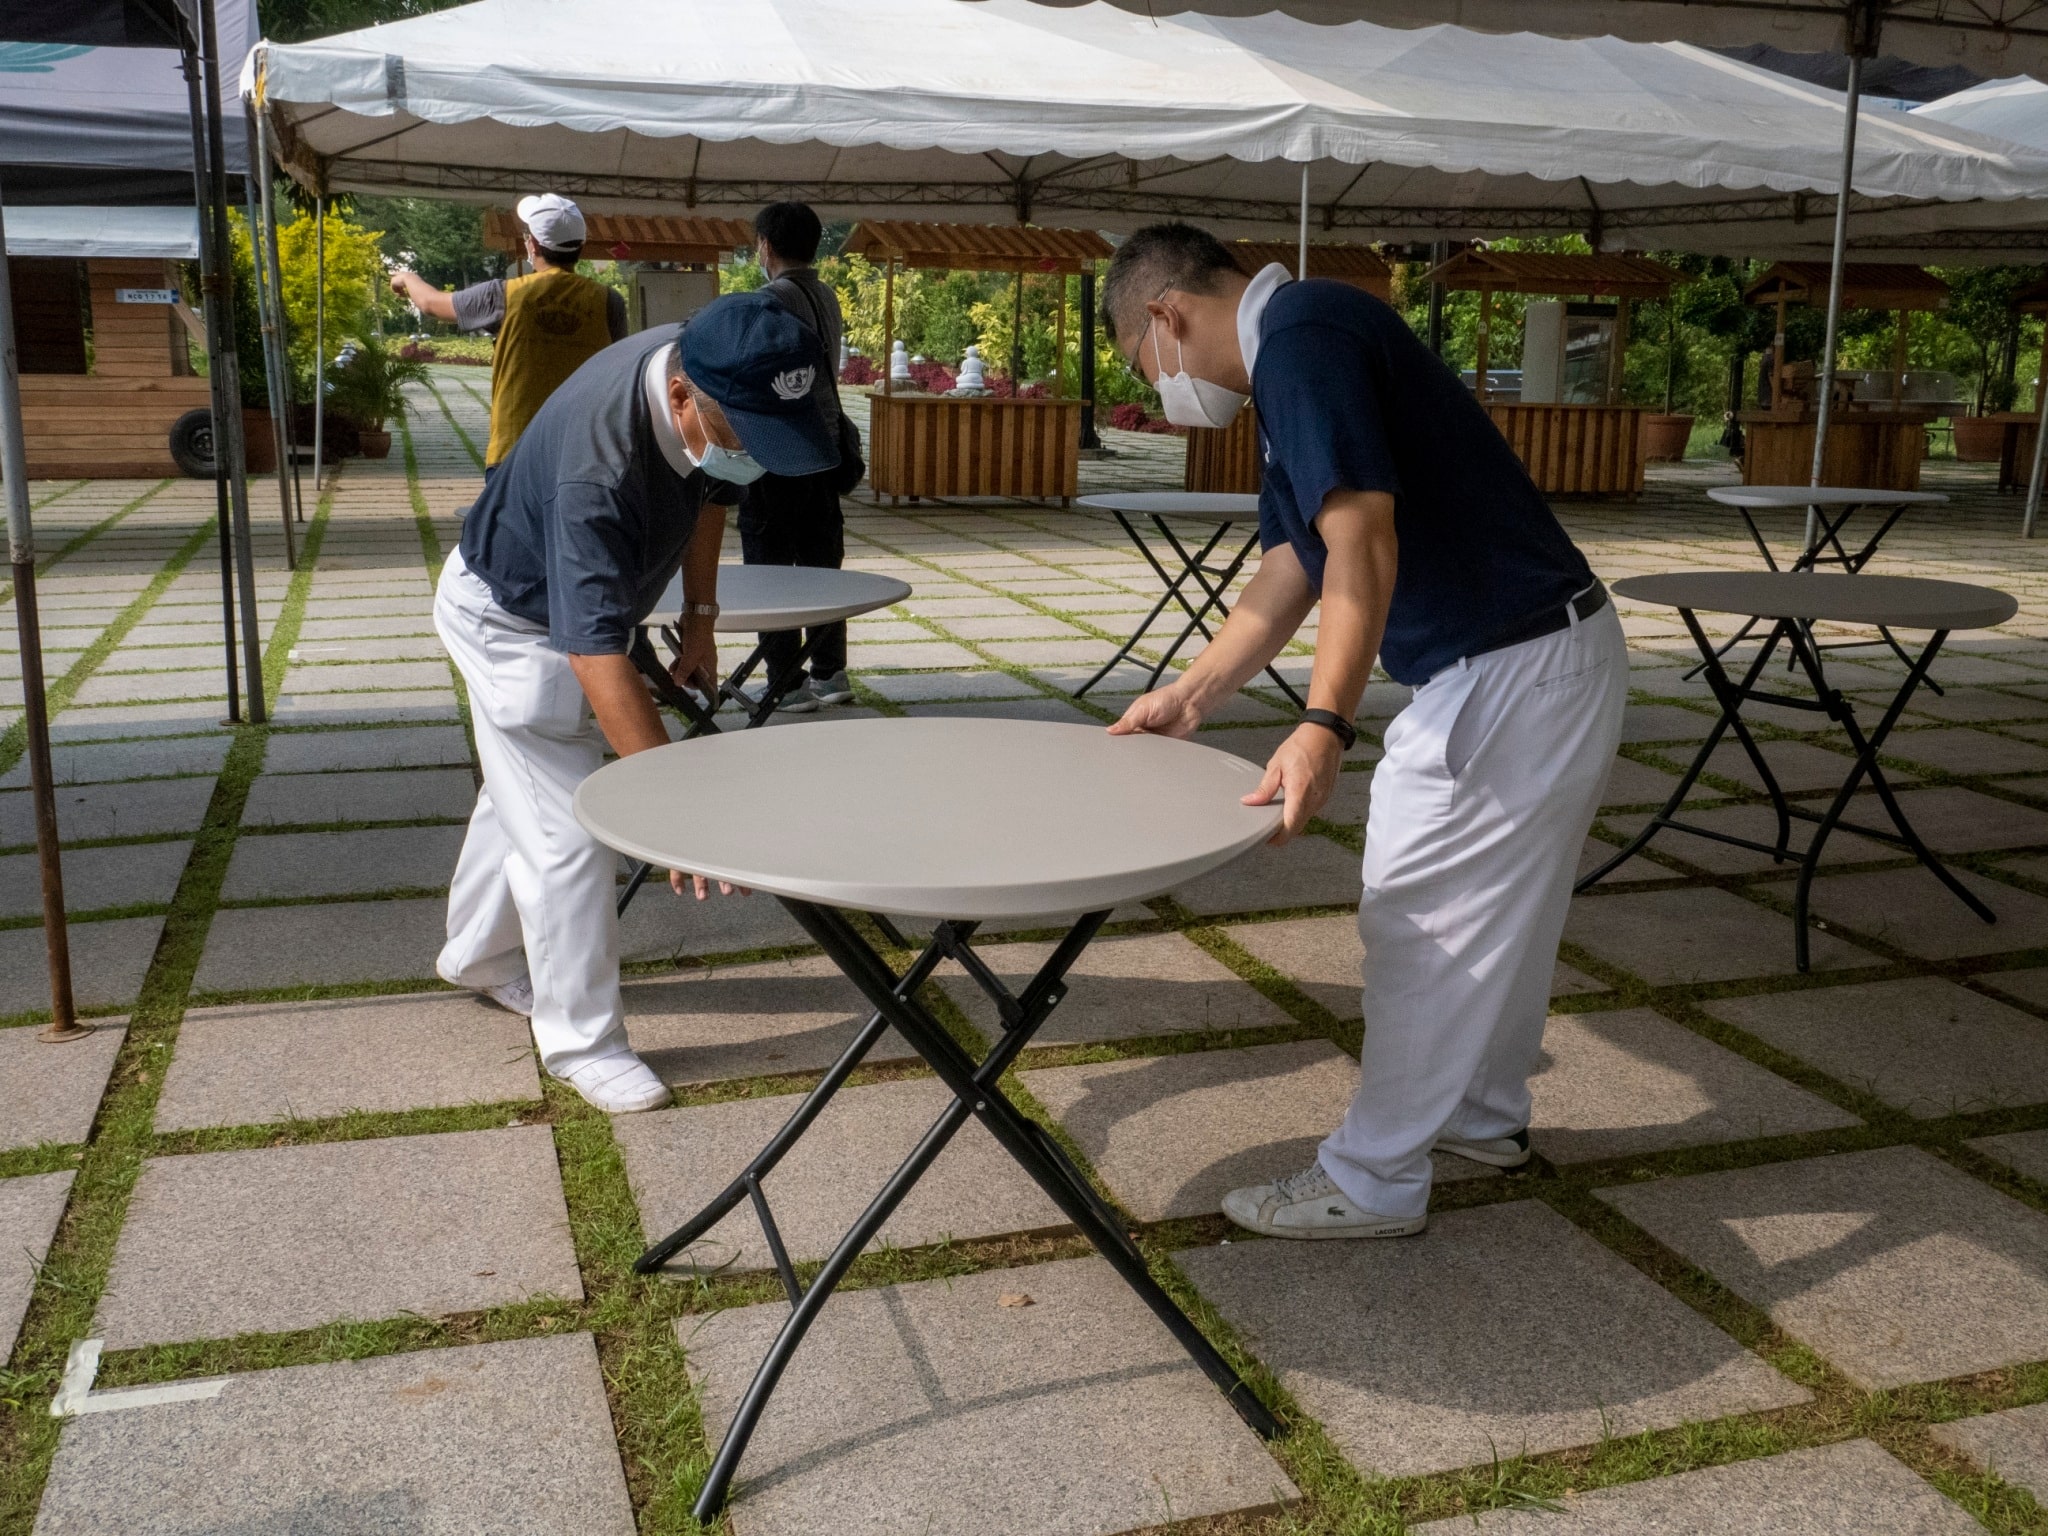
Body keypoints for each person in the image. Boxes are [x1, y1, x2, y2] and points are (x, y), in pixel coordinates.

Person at [1099, 224, 1626, 1239]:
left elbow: (1360, 540)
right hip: (1538, 654)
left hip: (1505, 666)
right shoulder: (1301, 342)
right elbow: (1293, 562)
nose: (1166, 390)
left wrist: (1322, 723)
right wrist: (1192, 694)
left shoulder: (1301, 338)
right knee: (1496, 916)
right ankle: (1481, 1116)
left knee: (1418, 918)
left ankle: (1373, 1177)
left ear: (1166, 315)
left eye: (1144, 364)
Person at [433, 290, 838, 1113]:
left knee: (518, 787)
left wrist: (699, 614)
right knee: (571, 832)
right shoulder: (599, 468)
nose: (751, 457)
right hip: (515, 620)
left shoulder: (715, 355)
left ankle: (476, 955)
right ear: (683, 396)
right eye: (743, 437)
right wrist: (668, 814)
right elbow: (590, 654)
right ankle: (582, 1040)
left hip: (573, 605)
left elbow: (713, 490)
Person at [391, 193, 627, 478]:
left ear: (534, 244)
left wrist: (407, 278)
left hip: (515, 450)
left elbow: (431, 304)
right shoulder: (609, 302)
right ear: (580, 245)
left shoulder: (502, 295)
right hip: (584, 452)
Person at [742, 201, 855, 712]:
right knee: (820, 564)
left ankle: (785, 682)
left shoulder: (769, 300)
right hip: (824, 445)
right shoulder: (825, 295)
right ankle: (830, 673)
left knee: (769, 564)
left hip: (778, 449)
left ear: (765, 245)